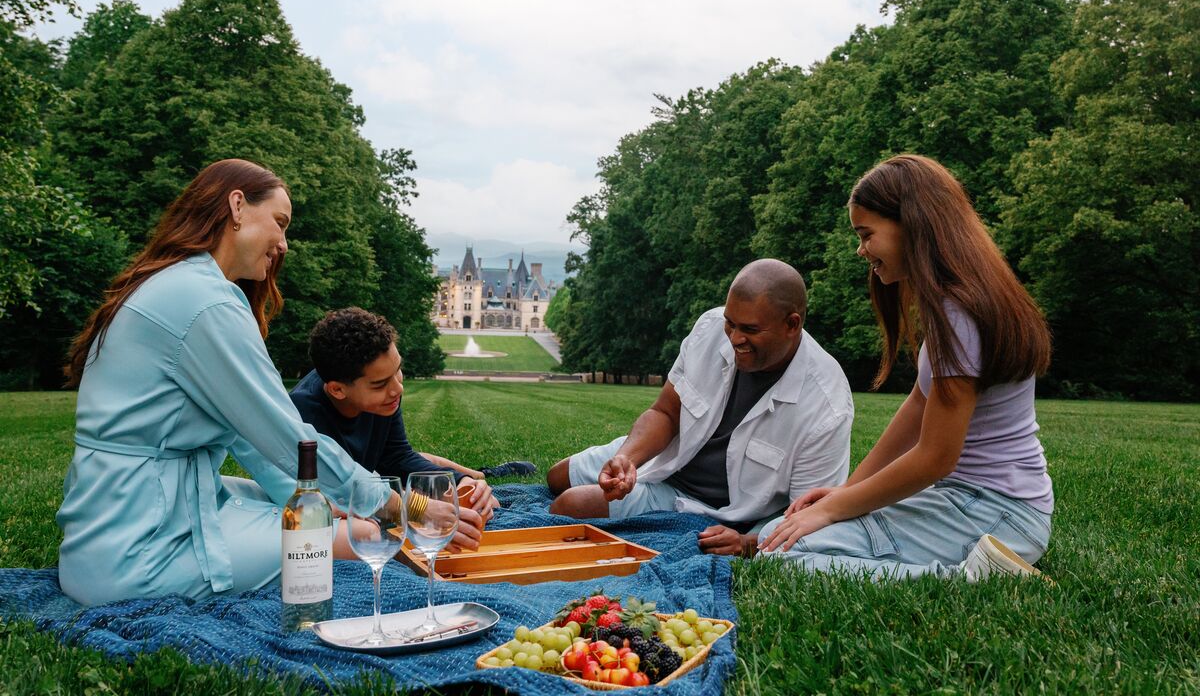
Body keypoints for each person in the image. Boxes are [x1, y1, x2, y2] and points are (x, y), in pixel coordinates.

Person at [56, 159, 482, 607]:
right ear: (237, 206)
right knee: (359, 533)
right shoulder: (205, 303)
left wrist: (323, 494)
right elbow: (286, 437)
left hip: (117, 522)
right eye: (279, 223)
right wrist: (404, 505)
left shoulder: (182, 284)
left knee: (318, 508)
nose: (283, 243)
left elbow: (250, 439)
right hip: (139, 548)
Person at [758, 154, 1053, 580]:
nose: (861, 250)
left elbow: (934, 458)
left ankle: (977, 579)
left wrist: (834, 510)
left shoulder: (960, 314)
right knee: (780, 535)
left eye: (866, 234)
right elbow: (919, 405)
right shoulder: (954, 304)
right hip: (974, 502)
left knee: (781, 552)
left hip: (994, 513)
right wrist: (846, 494)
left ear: (913, 226)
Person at [547, 259, 854, 556]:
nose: (734, 339)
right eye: (730, 324)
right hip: (666, 458)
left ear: (792, 324)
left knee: (569, 506)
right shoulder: (709, 328)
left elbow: (807, 512)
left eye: (749, 329)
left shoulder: (826, 405)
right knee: (556, 477)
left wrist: (748, 542)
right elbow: (665, 413)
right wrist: (628, 458)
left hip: (713, 508)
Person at [290, 307, 515, 520]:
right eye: (380, 384)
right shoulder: (304, 416)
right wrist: (419, 508)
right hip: (347, 497)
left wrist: (460, 483)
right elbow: (335, 494)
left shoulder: (385, 397)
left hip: (375, 479)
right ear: (337, 390)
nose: (398, 388)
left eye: (398, 371)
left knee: (478, 500)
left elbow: (397, 457)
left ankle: (478, 475)